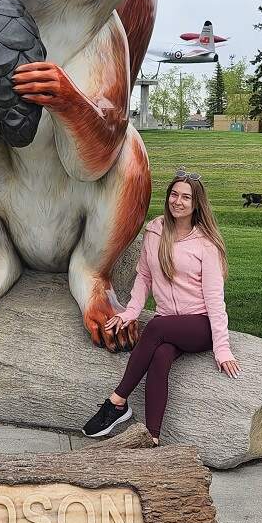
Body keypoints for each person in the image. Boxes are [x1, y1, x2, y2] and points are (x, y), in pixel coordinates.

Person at [82, 167, 241, 444]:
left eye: (186, 198)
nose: (178, 201)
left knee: (155, 327)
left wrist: (223, 348)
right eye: (174, 195)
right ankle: (152, 438)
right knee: (160, 357)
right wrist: (130, 312)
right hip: (169, 324)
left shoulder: (206, 245)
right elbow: (144, 276)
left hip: (198, 325)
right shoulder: (155, 231)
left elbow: (216, 300)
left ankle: (117, 402)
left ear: (196, 205)